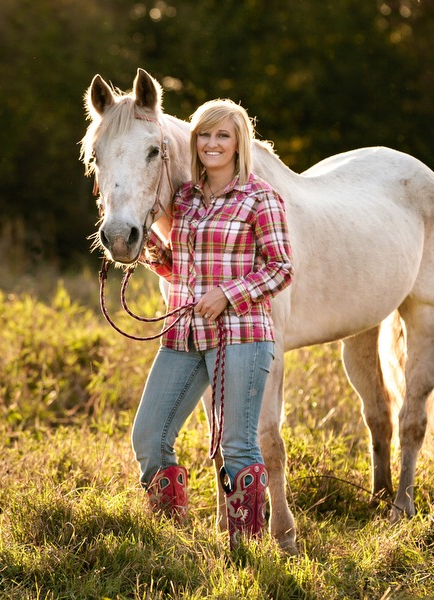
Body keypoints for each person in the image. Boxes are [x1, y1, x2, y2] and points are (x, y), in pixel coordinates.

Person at [133, 99, 292, 547]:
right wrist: (156, 254)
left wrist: (228, 295)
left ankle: (246, 553)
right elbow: (182, 270)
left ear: (239, 142)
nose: (212, 143)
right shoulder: (183, 201)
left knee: (237, 446)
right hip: (185, 336)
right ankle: (172, 541)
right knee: (148, 437)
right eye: (204, 135)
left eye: (223, 135)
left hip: (242, 336)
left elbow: (281, 268)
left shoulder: (261, 198)